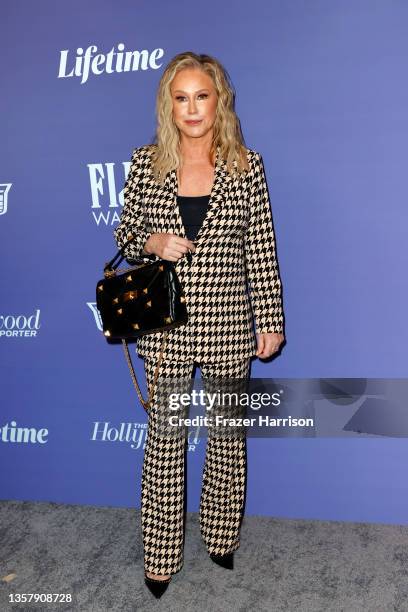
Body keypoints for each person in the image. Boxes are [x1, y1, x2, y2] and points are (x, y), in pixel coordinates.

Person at [113, 51, 285, 598]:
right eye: (181, 98)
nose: (192, 108)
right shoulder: (146, 163)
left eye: (201, 96)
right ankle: (160, 556)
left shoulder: (246, 166)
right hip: (165, 327)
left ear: (219, 101)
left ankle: (220, 536)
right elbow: (125, 232)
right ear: (170, 105)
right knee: (165, 440)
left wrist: (271, 319)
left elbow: (261, 248)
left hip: (231, 325)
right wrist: (151, 241)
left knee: (227, 437)